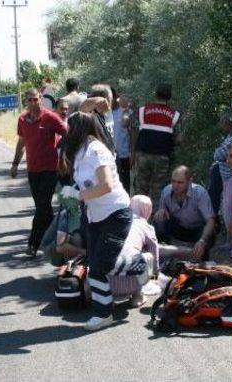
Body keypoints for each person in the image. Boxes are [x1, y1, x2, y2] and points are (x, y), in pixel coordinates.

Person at [62, 112, 146, 331]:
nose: (66, 133)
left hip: (115, 214)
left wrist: (78, 196)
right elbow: (87, 183)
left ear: (78, 129)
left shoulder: (96, 150)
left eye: (69, 129)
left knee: (99, 268)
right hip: (96, 217)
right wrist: (73, 191)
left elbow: (106, 185)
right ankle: (138, 265)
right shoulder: (81, 151)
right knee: (95, 264)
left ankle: (103, 314)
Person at [11, 88, 68, 257]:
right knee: (43, 208)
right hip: (33, 170)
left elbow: (68, 133)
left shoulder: (50, 117)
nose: (33, 102)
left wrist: (64, 156)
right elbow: (21, 142)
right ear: (26, 102)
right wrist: (14, 164)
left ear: (40, 99)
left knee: (42, 206)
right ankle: (54, 241)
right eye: (29, 100)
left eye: (35, 99)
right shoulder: (22, 120)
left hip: (50, 169)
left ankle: (33, 243)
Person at [153, 166, 215, 261]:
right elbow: (161, 213)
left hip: (197, 229)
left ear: (189, 181)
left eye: (180, 182)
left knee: (209, 233)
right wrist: (161, 212)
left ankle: (202, 260)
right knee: (159, 219)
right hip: (178, 227)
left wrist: (202, 240)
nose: (175, 185)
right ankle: (162, 255)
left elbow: (210, 220)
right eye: (173, 181)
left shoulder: (200, 193)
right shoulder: (166, 192)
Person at [133, 83, 182, 206]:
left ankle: (139, 218)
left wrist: (132, 152)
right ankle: (155, 220)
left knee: (140, 189)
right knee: (158, 191)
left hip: (142, 154)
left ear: (155, 94)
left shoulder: (142, 111)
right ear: (169, 96)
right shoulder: (174, 115)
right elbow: (179, 139)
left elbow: (132, 128)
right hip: (162, 157)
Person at [108, 194, 159, 307]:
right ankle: (137, 295)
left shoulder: (115, 221)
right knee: (149, 256)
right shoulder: (145, 226)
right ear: (147, 210)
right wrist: (154, 276)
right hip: (130, 285)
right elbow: (154, 250)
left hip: (106, 282)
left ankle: (107, 298)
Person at [208, 112, 232, 216]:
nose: (220, 126)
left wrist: (219, 152)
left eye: (222, 123)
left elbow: (219, 155)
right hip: (225, 177)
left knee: (230, 209)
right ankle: (213, 216)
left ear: (228, 123)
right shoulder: (229, 136)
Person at [112, 94, 132, 193]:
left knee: (124, 181)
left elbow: (126, 124)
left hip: (124, 153)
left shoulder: (130, 113)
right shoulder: (112, 113)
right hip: (111, 153)